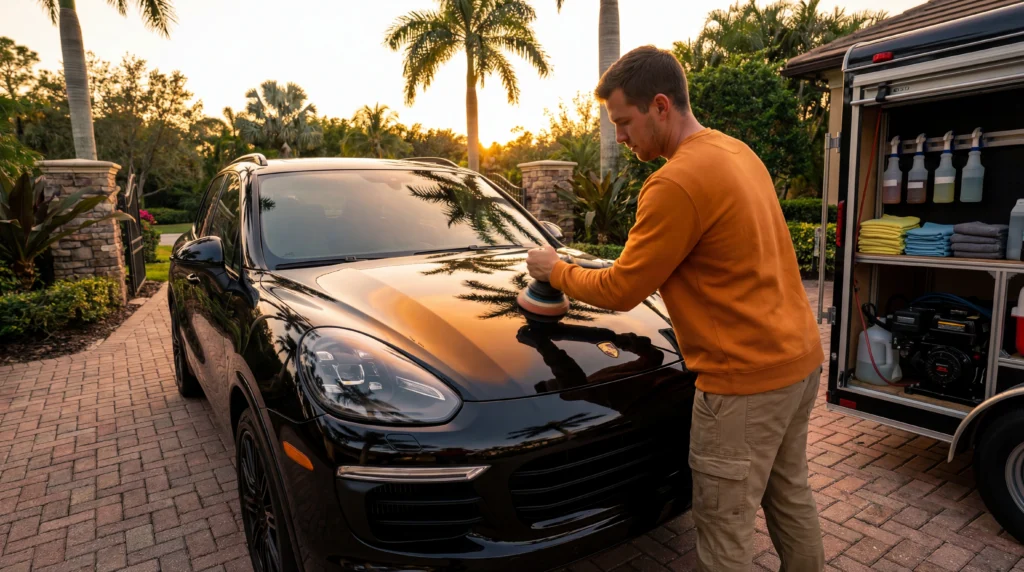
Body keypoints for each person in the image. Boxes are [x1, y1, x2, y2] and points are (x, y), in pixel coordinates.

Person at [526, 45, 826, 572]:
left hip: (743, 383)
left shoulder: (674, 182)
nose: (621, 137)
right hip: (797, 362)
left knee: (725, 527)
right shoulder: (736, 152)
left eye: (624, 122)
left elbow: (622, 289)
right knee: (789, 495)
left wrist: (556, 271)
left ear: (660, 106)